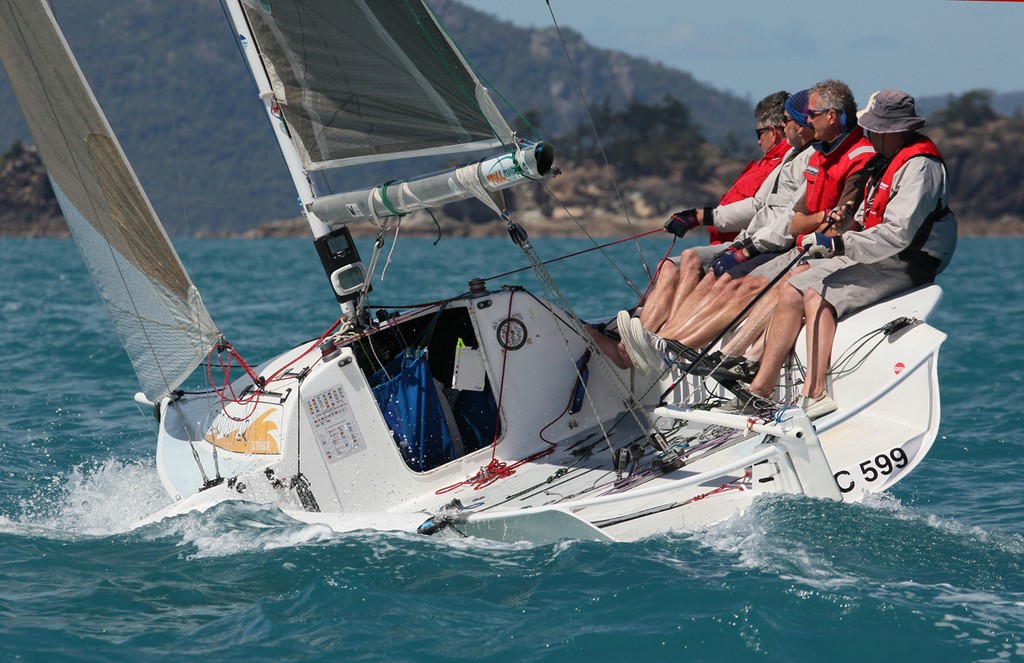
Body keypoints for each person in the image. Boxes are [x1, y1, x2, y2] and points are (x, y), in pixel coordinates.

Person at [737, 89, 957, 418]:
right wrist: (846, 222)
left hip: (907, 262)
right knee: (794, 284)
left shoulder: (920, 169)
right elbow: (872, 218)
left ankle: (816, 394)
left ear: (893, 131)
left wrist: (839, 244)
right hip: (877, 253)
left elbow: (898, 235)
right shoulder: (887, 160)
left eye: (875, 129)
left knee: (815, 295)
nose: (868, 134)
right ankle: (760, 384)